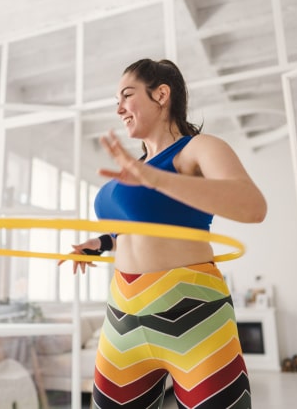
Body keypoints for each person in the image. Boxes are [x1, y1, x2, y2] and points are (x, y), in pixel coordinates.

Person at [60, 58, 267, 409]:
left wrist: (157, 179)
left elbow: (252, 206)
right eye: (116, 102)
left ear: (161, 94)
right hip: (123, 316)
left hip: (193, 313)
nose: (119, 109)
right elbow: (135, 228)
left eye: (127, 96)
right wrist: (99, 244)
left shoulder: (197, 149)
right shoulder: (134, 169)